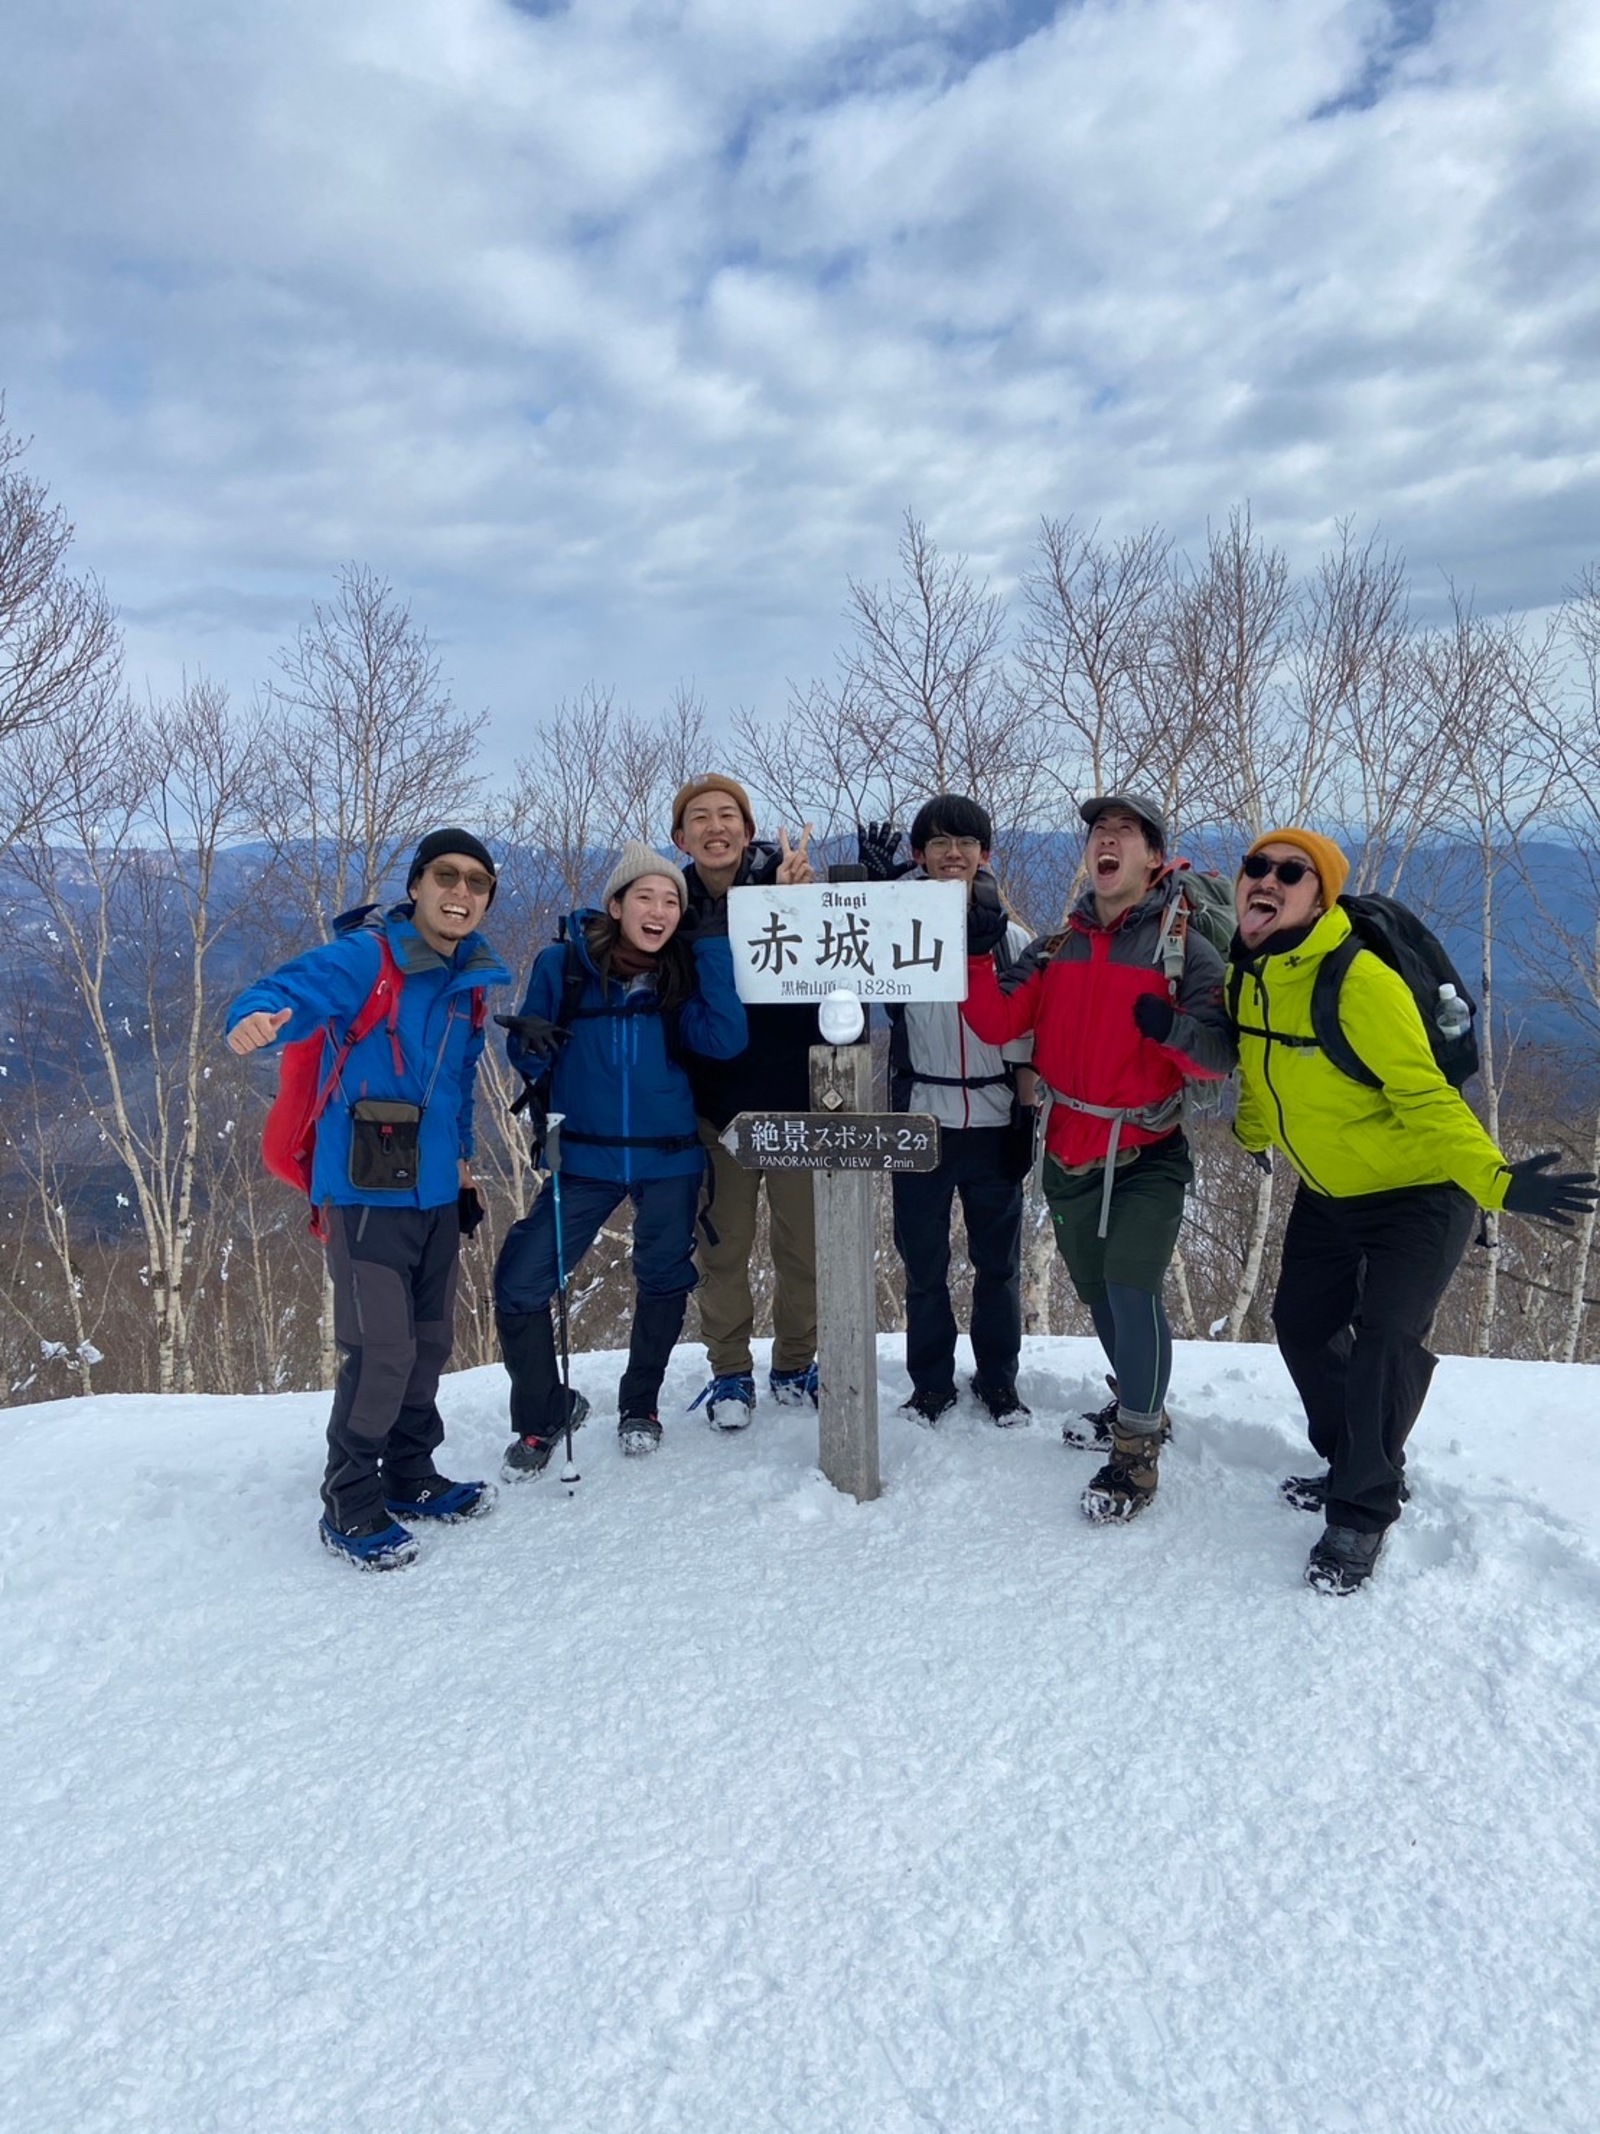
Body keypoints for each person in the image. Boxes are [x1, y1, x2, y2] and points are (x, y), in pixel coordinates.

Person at [1229, 827, 1597, 1593]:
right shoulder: (1250, 975)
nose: (1266, 879)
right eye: (1255, 866)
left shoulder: (1358, 981)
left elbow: (1426, 1096)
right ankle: (1352, 1461)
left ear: (1319, 894)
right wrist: (1253, 1132)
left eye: (1289, 872)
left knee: (1386, 1341)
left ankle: (1362, 1511)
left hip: (1421, 1194)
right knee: (1300, 1325)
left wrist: (1498, 1182)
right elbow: (1263, 1073)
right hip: (1331, 1194)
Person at [226, 829, 512, 1571]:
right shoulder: (367, 959)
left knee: (428, 1343)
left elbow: (455, 1088)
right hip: (361, 1195)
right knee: (379, 1350)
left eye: (477, 882)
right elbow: (283, 988)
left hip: (434, 1196)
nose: (460, 892)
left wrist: (464, 1167)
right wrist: (249, 1019)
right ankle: (350, 1504)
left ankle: (412, 1476)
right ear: (416, 886)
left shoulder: (468, 982)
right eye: (445, 876)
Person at [961, 793, 1234, 1522]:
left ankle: (1137, 1451)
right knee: (1101, 1297)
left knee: (1132, 1288)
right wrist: (976, 952)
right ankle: (1141, 1403)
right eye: (1098, 833)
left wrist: (1173, 1028)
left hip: (1147, 1149)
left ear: (1153, 856)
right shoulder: (1059, 947)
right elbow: (994, 1023)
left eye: (1125, 833)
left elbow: (1217, 1059)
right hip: (1071, 1148)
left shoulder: (1185, 949)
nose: (1106, 842)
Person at [495, 840, 747, 1461]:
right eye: (645, 897)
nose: (659, 909)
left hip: (670, 1158)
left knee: (662, 1280)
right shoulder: (565, 965)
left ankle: (641, 1403)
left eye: (671, 901)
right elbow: (530, 1059)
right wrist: (529, 1045)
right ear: (615, 904)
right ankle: (543, 1410)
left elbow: (724, 1039)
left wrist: (712, 946)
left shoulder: (679, 971)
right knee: (521, 1281)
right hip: (584, 1158)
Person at [858, 797, 1036, 1426]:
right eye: (937, 843)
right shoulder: (895, 934)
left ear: (985, 854)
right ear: (918, 856)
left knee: (998, 1266)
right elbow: (847, 985)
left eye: (965, 841)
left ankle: (998, 1381)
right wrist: (870, 897)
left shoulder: (1015, 942)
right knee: (924, 1266)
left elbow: (1031, 1039)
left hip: (993, 1120)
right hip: (920, 1121)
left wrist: (1025, 1118)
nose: (952, 852)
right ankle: (930, 1383)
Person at [670, 775, 820, 1433]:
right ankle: (730, 1369)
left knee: (805, 1250)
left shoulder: (790, 887)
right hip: (716, 1111)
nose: (714, 826)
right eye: (698, 818)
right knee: (723, 1251)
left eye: (727, 814)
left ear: (748, 829)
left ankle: (794, 1363)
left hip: (797, 1106)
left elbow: (840, 980)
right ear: (681, 838)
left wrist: (804, 908)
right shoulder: (668, 906)